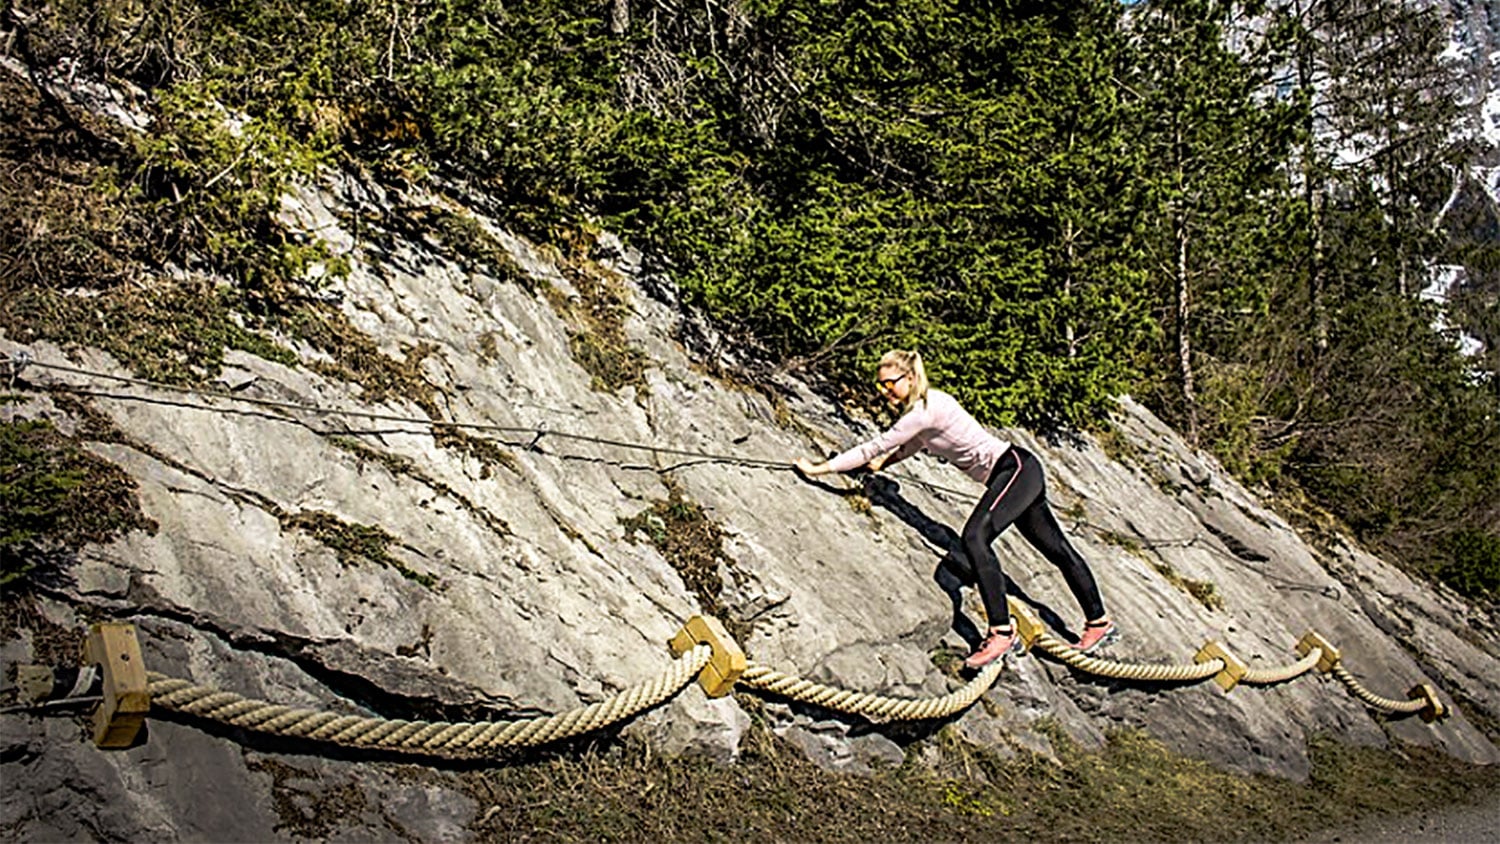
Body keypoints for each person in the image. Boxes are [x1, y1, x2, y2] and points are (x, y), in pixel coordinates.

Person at [794, 350, 1118, 669]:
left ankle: (1002, 632)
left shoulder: (924, 410)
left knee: (976, 537)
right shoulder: (923, 412)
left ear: (909, 378)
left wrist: (820, 469)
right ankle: (1098, 622)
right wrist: (881, 465)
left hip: (1013, 469)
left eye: (889, 383)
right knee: (1055, 549)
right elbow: (907, 446)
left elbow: (876, 445)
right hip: (1019, 473)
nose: (884, 391)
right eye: (881, 385)